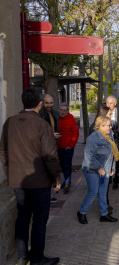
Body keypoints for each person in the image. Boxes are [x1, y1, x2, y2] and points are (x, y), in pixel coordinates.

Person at [0, 88, 61, 265]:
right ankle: (36, 259)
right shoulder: (41, 124)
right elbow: (50, 155)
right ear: (40, 104)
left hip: (18, 179)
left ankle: (22, 255)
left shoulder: (9, 122)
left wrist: (9, 172)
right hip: (38, 180)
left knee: (23, 216)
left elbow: (2, 151)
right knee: (39, 220)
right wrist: (56, 177)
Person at [77, 116, 119, 224]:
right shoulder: (93, 138)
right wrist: (98, 168)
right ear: (101, 126)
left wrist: (111, 168)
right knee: (93, 192)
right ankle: (82, 212)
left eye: (111, 125)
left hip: (104, 170)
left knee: (102, 192)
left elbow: (110, 155)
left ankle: (104, 214)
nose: (111, 127)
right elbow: (88, 156)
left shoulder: (107, 136)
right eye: (109, 125)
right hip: (92, 170)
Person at [89, 106, 119, 214]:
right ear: (103, 115)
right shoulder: (94, 128)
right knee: (101, 186)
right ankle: (103, 207)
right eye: (109, 114)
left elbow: (115, 140)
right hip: (101, 162)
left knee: (106, 184)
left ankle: (105, 204)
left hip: (109, 159)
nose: (111, 116)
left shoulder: (111, 125)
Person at [39, 94, 61, 203]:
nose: (49, 105)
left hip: (53, 145)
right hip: (44, 148)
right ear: (42, 103)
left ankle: (49, 194)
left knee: (52, 170)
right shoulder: (39, 115)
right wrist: (51, 135)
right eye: (47, 103)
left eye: (51, 103)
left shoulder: (55, 114)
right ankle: (46, 196)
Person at [57, 103, 79, 194]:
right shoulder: (56, 119)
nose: (62, 112)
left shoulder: (72, 120)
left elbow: (76, 134)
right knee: (62, 165)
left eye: (64, 110)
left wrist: (71, 145)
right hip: (58, 147)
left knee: (67, 165)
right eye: (61, 110)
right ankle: (67, 180)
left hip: (68, 148)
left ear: (67, 111)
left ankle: (66, 184)